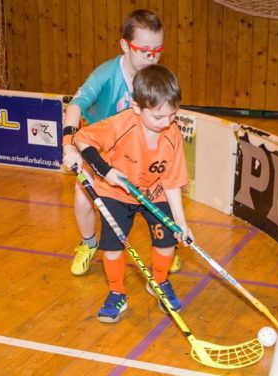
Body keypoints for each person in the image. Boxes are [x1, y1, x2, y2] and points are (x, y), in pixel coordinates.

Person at [62, 9, 182, 276]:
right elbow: (75, 106)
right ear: (125, 46)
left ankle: (169, 244)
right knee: (82, 199)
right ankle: (89, 243)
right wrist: (69, 144)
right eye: (144, 51)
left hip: (142, 156)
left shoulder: (155, 78)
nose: (152, 58)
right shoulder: (105, 75)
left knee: (161, 200)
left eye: (158, 51)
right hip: (101, 152)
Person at [72, 64, 193, 323]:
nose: (167, 122)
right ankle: (117, 293)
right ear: (137, 108)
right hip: (116, 193)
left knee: (167, 239)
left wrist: (181, 223)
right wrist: (105, 171)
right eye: (159, 117)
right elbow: (81, 139)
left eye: (172, 115)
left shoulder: (173, 135)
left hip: (154, 191)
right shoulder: (120, 124)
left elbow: (172, 181)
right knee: (113, 247)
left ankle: (158, 282)